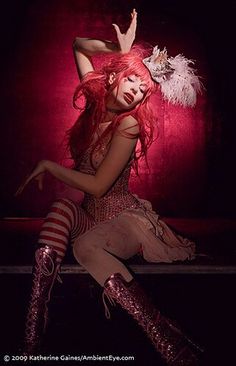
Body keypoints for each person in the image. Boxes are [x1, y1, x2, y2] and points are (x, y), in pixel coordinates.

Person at [15, 9, 203, 365]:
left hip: (125, 221)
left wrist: (50, 167)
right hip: (91, 219)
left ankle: (164, 335)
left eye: (143, 90)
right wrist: (117, 47)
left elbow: (100, 187)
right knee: (59, 213)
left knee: (85, 244)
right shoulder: (93, 104)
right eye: (132, 81)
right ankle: (33, 327)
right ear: (116, 75)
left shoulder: (128, 126)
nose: (135, 92)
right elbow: (78, 46)